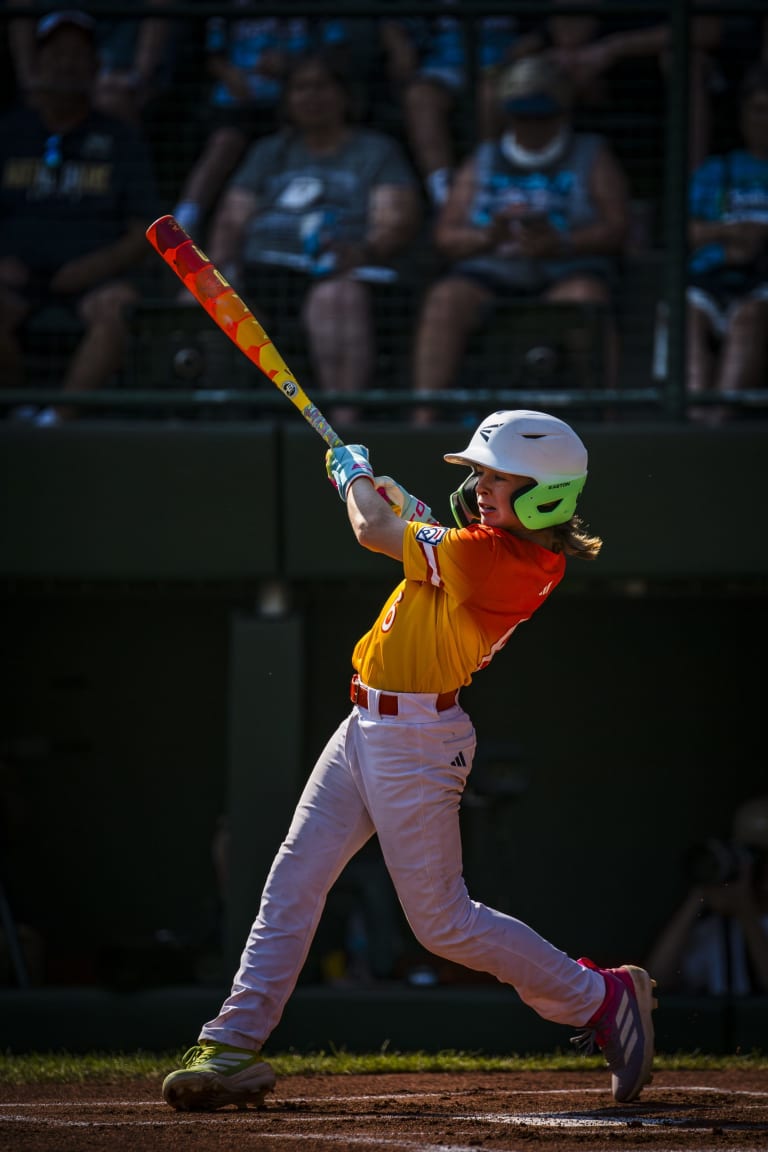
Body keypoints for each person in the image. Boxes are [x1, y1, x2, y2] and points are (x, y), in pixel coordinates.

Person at [161, 408, 656, 1112]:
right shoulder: (497, 549)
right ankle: (232, 1042)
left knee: (443, 924)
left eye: (498, 479)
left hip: (415, 739)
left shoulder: (498, 558)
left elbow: (374, 532)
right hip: (366, 724)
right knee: (294, 879)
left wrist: (354, 478)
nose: (480, 487)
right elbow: (433, 547)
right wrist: (408, 506)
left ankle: (600, 997)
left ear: (545, 494)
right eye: (480, 474)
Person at [203, 51, 422, 425]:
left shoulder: (375, 151)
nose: (311, 97)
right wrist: (217, 273)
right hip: (264, 274)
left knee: (334, 299)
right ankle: (217, 421)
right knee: (207, 300)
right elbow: (231, 219)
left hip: (337, 273)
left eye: (322, 86)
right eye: (301, 88)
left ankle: (342, 429)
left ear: (345, 96)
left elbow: (395, 220)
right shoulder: (268, 152)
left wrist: (362, 252)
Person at [410, 55, 628, 425]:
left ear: (562, 112)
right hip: (491, 270)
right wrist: (487, 237)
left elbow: (617, 227)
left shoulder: (591, 153)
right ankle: (423, 419)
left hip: (566, 269)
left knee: (585, 299)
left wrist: (561, 242)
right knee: (445, 299)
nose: (532, 126)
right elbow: (445, 234)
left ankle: (604, 418)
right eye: (522, 116)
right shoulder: (484, 158)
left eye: (542, 116)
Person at [0, 10, 160, 424]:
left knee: (117, 309)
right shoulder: (10, 133)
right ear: (36, 63)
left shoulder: (120, 139)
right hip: (14, 277)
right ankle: (17, 410)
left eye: (77, 54)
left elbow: (144, 230)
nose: (66, 64)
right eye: (56, 53)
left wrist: (91, 268)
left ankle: (57, 420)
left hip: (93, 279)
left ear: (95, 67)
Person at [171, 11, 385, 240]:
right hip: (241, 103)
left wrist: (291, 66)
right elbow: (212, 54)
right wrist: (231, 75)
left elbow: (337, 50)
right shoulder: (232, 8)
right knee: (225, 142)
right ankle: (184, 222)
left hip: (288, 98)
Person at [686, 63, 768, 425]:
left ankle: (718, 421)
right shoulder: (717, 170)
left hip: (761, 285)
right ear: (743, 115)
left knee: (749, 317)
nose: (765, 120)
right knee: (685, 318)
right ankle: (692, 416)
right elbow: (685, 231)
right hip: (712, 276)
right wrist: (728, 234)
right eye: (758, 110)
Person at [646, 797, 768, 996]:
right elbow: (658, 980)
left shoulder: (748, 920)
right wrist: (701, 892)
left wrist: (748, 914)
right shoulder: (717, 928)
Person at [8, 0, 175, 125]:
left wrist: (139, 74)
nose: (67, 63)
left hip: (116, 79)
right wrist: (28, 77)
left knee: (112, 102)